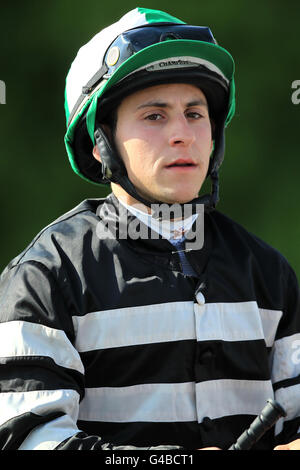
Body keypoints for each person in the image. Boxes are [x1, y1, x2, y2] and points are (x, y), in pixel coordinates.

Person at [0, 7, 299, 451]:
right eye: (155, 116)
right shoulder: (45, 277)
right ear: (101, 144)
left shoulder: (270, 274)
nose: (183, 134)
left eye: (195, 114)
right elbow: (28, 442)